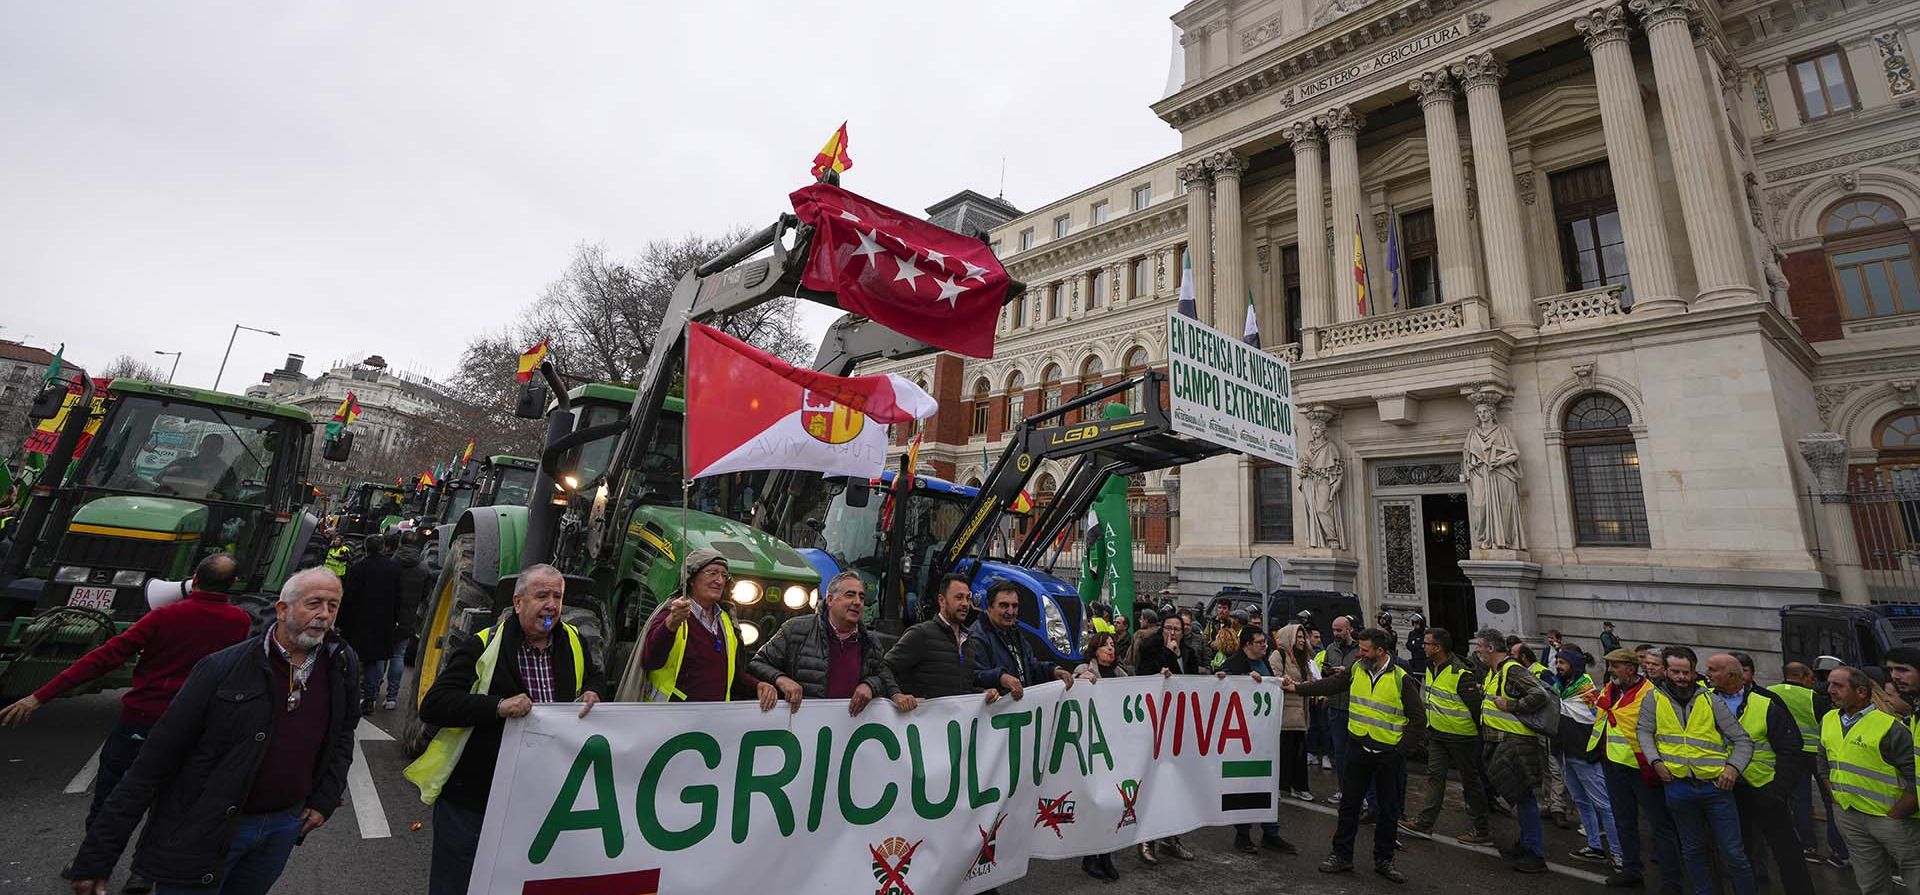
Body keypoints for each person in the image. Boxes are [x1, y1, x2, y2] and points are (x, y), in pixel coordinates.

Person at [66, 568, 360, 895]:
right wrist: (97, 857)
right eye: (314, 603)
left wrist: (324, 799)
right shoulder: (223, 668)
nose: (323, 615)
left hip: (282, 828)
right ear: (282, 609)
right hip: (208, 828)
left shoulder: (342, 664)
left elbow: (343, 733)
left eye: (332, 606)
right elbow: (152, 763)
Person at [3, 553, 252, 893]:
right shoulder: (238, 622)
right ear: (233, 584)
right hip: (193, 727)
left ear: (194, 580)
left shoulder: (164, 616)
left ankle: (90, 863)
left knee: (112, 795)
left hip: (141, 720)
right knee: (169, 802)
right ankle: (143, 872)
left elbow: (103, 657)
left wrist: (38, 696)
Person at [410, 563, 606, 895]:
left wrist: (594, 691)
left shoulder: (574, 642)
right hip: (474, 798)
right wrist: (498, 707)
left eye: (557, 597)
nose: (551, 606)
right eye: (542, 595)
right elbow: (436, 704)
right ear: (518, 602)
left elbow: (594, 678)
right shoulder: (482, 644)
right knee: (457, 884)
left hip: (535, 796)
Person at [1284, 627, 1423, 883]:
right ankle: (1341, 855)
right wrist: (1298, 688)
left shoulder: (1400, 678)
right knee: (1349, 806)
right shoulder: (1358, 669)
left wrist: (1401, 752)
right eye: (1359, 648)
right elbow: (1332, 684)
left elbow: (1418, 719)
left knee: (1388, 810)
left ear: (1380, 651)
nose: (1359, 653)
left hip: (1388, 754)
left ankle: (1384, 859)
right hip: (1358, 749)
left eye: (1365, 649)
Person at [1637, 646, 1756, 895]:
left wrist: (1733, 769)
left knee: (1733, 853)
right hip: (1678, 786)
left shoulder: (1710, 700)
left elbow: (1742, 740)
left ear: (1694, 672)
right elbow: (1644, 732)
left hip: (1715, 788)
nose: (1681, 677)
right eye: (1675, 671)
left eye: (1686, 672)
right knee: (1692, 851)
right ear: (1667, 672)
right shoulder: (1654, 698)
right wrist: (1656, 762)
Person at [1704, 653, 1814, 895]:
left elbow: (1790, 748)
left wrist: (1779, 791)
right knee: (1737, 852)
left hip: (1765, 789)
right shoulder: (1703, 701)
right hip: (1725, 790)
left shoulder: (1766, 702)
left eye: (1713, 669)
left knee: (1787, 852)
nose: (1707, 674)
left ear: (1731, 675)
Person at [749, 571, 915, 715]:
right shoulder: (796, 629)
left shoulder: (870, 642)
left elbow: (882, 675)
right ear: (829, 600)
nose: (857, 602)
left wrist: (870, 685)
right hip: (799, 730)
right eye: (850, 595)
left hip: (846, 735)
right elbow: (758, 663)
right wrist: (781, 679)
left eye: (861, 597)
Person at [1819, 665, 1920, 894]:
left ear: (1862, 692)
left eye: (1838, 685)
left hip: (1892, 819)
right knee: (1871, 881)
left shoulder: (1889, 727)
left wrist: (1897, 814)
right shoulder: (1828, 720)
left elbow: (1915, 775)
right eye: (1830, 684)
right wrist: (1835, 798)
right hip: (1850, 815)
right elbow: (1823, 765)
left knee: (1915, 873)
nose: (1830, 690)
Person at [1589, 647, 1683, 891]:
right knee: (1624, 821)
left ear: (1630, 668)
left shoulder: (1651, 693)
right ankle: (1631, 870)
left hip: (1643, 768)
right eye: (1609, 666)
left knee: (1660, 825)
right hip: (1614, 764)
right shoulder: (1611, 689)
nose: (1610, 670)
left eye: (1615, 666)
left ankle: (1671, 881)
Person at [631, 548, 773, 704]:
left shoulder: (725, 621)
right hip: (671, 717)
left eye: (724, 575)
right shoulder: (671, 614)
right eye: (712, 573)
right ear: (692, 579)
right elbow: (650, 660)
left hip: (711, 721)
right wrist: (671, 623)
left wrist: (758, 685)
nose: (719, 581)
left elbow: (730, 674)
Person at [1398, 625, 1492, 845]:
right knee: (1435, 777)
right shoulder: (1431, 667)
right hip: (1437, 734)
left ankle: (1482, 829)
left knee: (1470, 782)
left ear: (1438, 647)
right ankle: (1425, 822)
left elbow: (1476, 708)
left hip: (1461, 736)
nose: (1424, 646)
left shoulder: (1460, 672)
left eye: (1427, 643)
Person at [1474, 627, 1552, 874]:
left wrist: (1513, 704)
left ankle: (1535, 852)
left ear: (1490, 648)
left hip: (1516, 741)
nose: (1477, 650)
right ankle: (1526, 843)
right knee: (1518, 795)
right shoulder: (1494, 672)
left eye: (1479, 646)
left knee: (1524, 797)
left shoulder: (1512, 669)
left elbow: (1540, 695)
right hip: (1501, 740)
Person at [1132, 611, 1207, 864]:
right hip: (1155, 723)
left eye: (1177, 628)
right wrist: (1166, 655)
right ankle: (1146, 839)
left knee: (1176, 783)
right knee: (1153, 782)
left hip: (1178, 722)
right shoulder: (1150, 648)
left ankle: (1171, 838)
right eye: (1168, 628)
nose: (1172, 632)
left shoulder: (1187, 653)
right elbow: (1142, 675)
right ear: (1161, 629)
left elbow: (1192, 681)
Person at [1223, 627, 1297, 857]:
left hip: (1265, 737)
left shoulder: (1264, 662)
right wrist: (1244, 681)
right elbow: (1221, 685)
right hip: (1242, 738)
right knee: (1245, 785)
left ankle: (1271, 833)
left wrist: (1280, 682)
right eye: (1259, 642)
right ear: (1247, 644)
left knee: (1268, 783)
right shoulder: (1233, 665)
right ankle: (1242, 835)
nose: (1265, 646)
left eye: (1265, 642)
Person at [1770, 659, 1845, 867]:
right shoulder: (1814, 697)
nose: (1814, 682)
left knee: (1800, 802)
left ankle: (1808, 847)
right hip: (1817, 755)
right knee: (1831, 800)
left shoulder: (1769, 693)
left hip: (1791, 756)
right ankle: (1838, 851)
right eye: (1811, 678)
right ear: (1802, 676)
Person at [1554, 649, 1619, 867]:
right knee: (1581, 801)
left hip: (1584, 754)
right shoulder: (1560, 687)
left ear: (1574, 665)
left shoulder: (1586, 691)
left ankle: (1618, 853)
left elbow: (1598, 721)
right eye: (1557, 662)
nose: (1558, 666)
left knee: (1603, 804)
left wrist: (1595, 750)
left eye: (1562, 662)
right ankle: (1594, 846)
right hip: (1565, 753)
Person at [1073, 630, 1128, 882]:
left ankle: (1106, 854)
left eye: (1112, 645)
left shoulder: (1121, 674)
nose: (1110, 649)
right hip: (1092, 748)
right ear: (1095, 649)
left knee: (1113, 803)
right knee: (1094, 803)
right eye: (1105, 645)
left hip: (1115, 747)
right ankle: (1090, 856)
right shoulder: (1085, 669)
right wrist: (1079, 678)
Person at [886, 574, 996, 701]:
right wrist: (896, 695)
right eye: (959, 597)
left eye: (968, 598)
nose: (965, 604)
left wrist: (982, 693)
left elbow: (961, 688)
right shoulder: (921, 634)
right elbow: (885, 667)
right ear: (941, 600)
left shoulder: (969, 642)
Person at [970, 580, 1074, 700]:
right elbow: (973, 676)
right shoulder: (977, 636)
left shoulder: (1015, 633)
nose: (1010, 611)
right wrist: (1001, 678)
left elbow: (1030, 667)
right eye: (1004, 605)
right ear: (989, 607)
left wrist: (1054, 671)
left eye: (1014, 606)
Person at [339, 532, 404, 713]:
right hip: (383, 621)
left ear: (366, 549)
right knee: (375, 661)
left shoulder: (358, 568)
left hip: (358, 621)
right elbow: (399, 597)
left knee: (354, 659)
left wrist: (341, 621)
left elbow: (349, 598)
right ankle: (370, 696)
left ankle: (349, 694)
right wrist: (395, 619)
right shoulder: (393, 569)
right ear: (383, 548)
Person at [1271, 622, 1315, 802]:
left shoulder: (1303, 658)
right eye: (1298, 636)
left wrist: (1300, 686)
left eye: (1303, 636)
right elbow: (1276, 680)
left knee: (1299, 751)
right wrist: (1298, 687)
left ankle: (1299, 786)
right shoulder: (1278, 655)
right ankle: (1281, 786)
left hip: (1302, 712)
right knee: (1285, 750)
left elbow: (1311, 680)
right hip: (1286, 713)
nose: (1302, 640)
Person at [1321, 615, 1361, 805]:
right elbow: (1324, 674)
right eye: (1334, 630)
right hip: (1336, 707)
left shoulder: (1360, 650)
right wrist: (1328, 672)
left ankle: (1360, 794)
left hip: (1355, 707)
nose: (1336, 633)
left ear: (1349, 629)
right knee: (1340, 753)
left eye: (1339, 630)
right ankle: (1344, 791)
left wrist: (1346, 671)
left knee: (1357, 753)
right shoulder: (1330, 648)